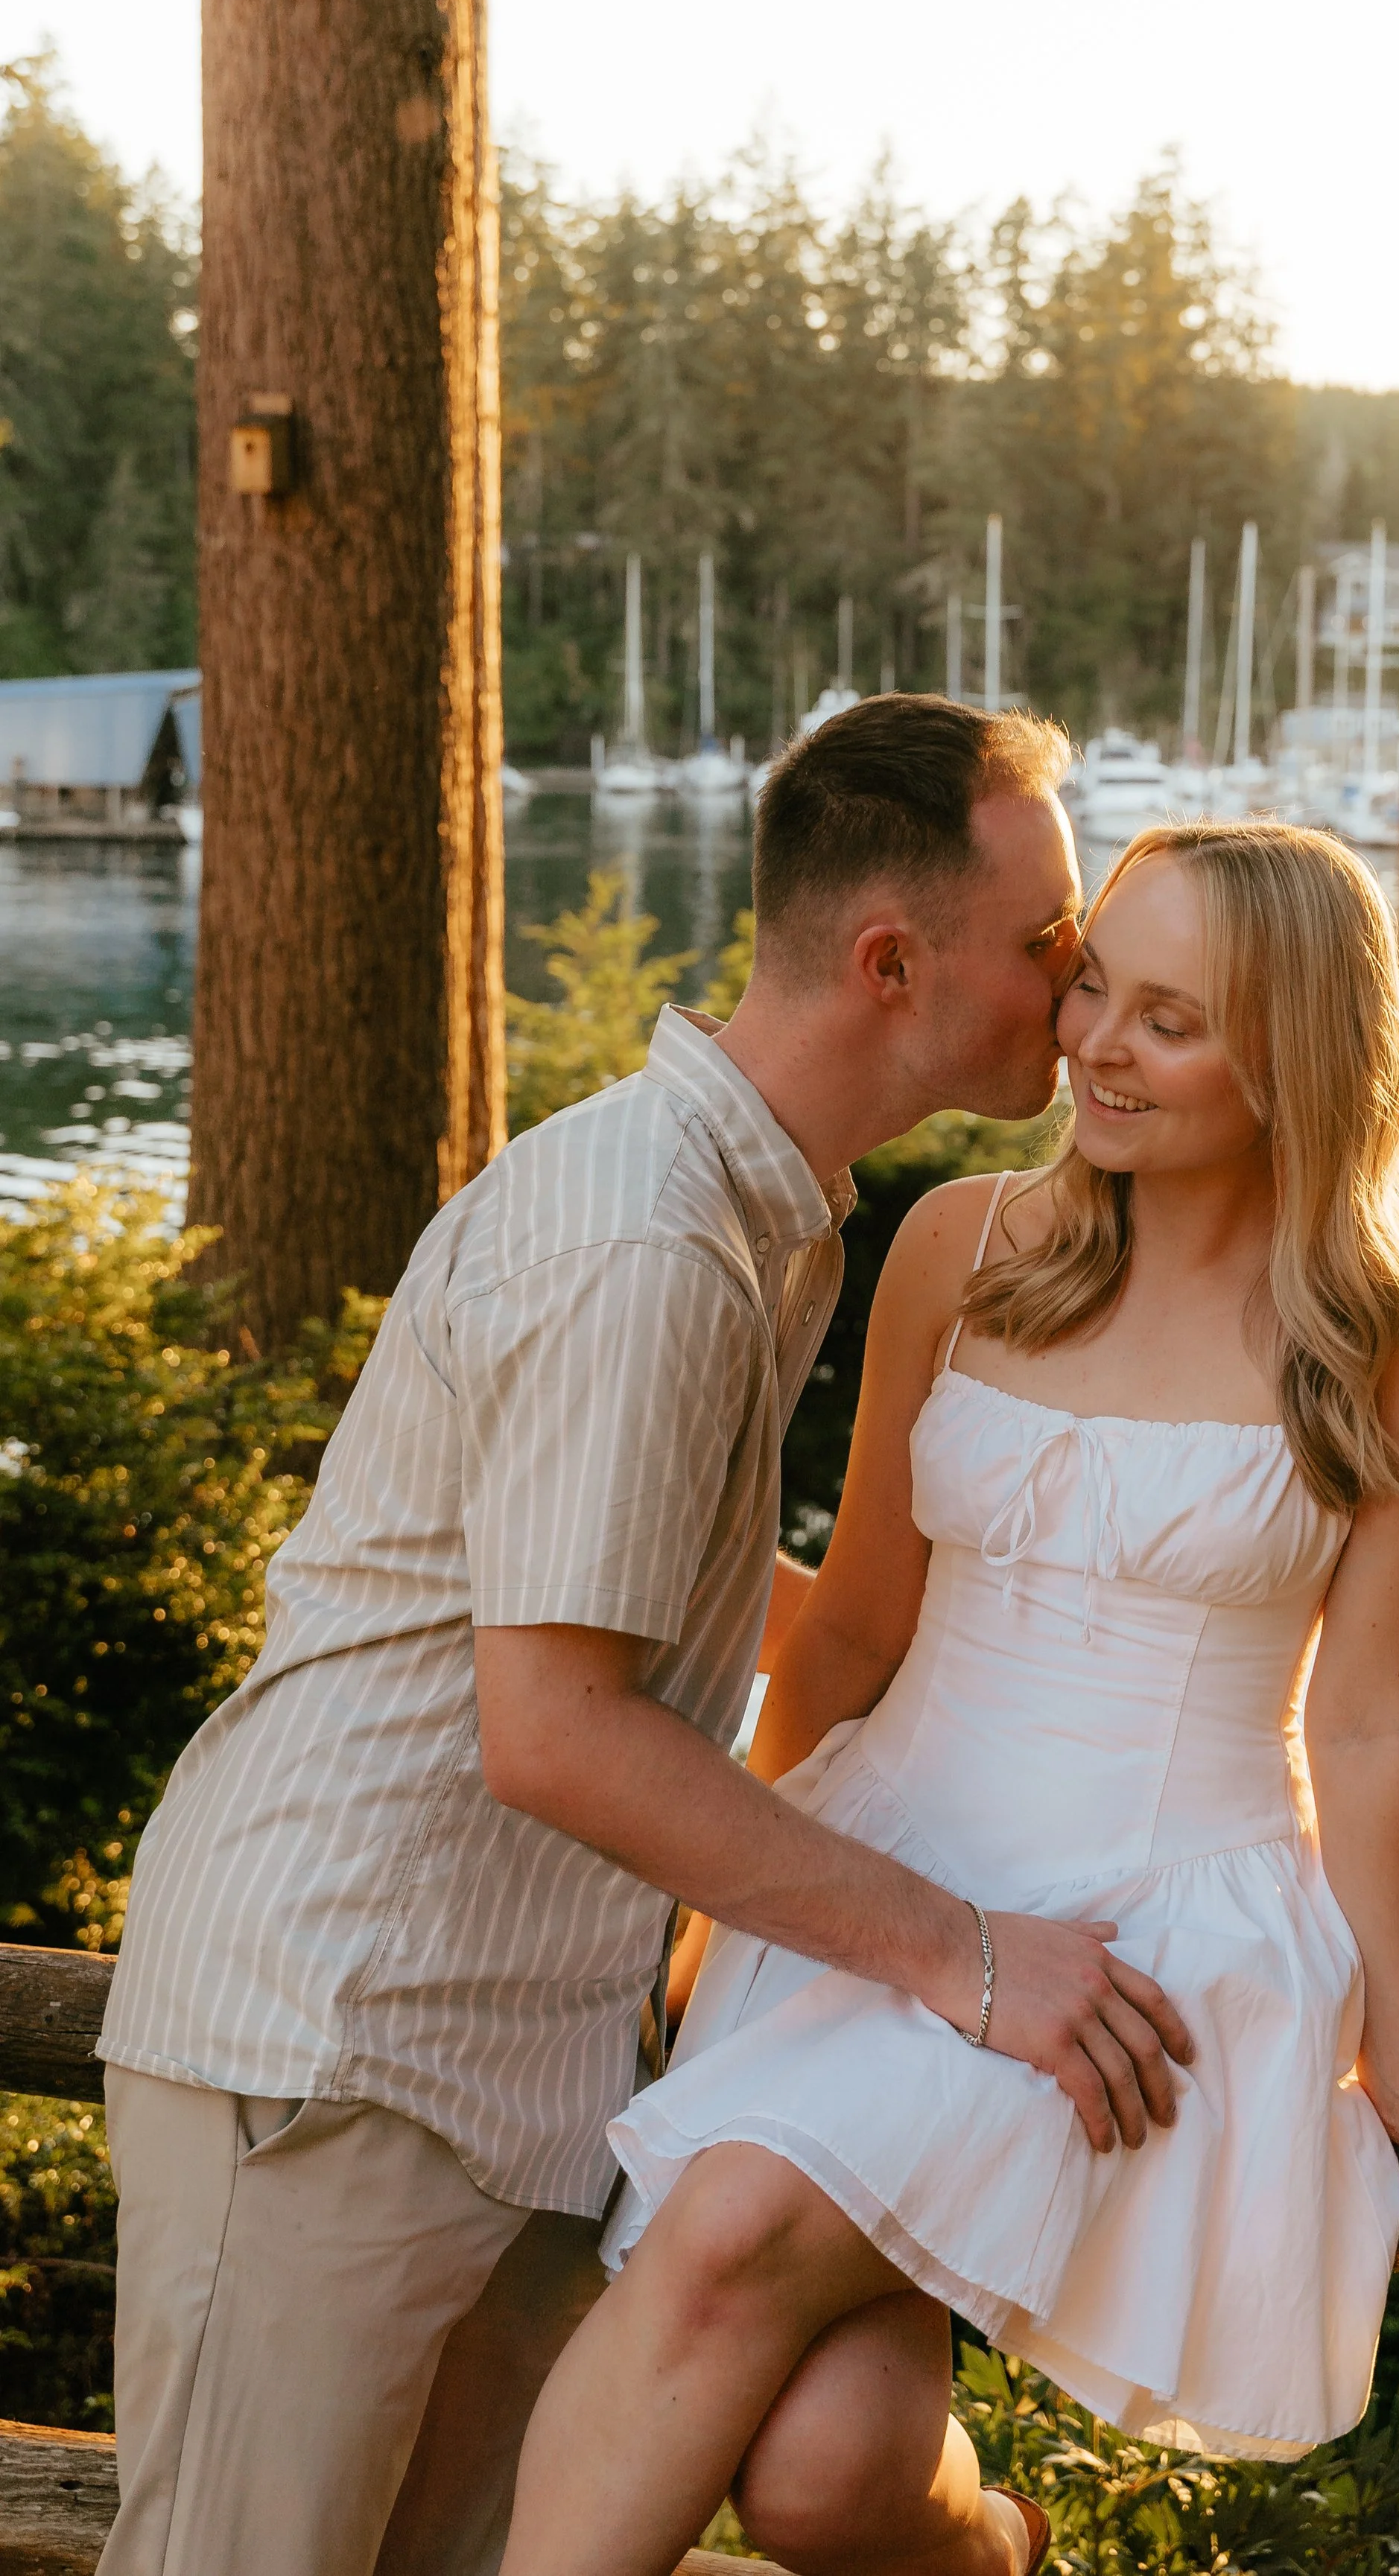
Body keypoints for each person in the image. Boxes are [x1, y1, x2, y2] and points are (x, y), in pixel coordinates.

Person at [93, 696, 1196, 2576]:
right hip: (337, 2050)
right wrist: (961, 1956)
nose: (1077, 974)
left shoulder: (769, 1217)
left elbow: (619, 1595)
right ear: (886, 961)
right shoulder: (651, 1248)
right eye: (1044, 941)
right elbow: (559, 1729)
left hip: (520, 2072)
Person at [499, 817, 1399, 2576]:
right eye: (1091, 992)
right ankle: (991, 2551)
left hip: (1156, 1929)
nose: (1091, 1047)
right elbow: (850, 1639)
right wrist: (717, 1911)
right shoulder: (962, 1246)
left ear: (1294, 1061)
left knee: (734, 2232)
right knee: (832, 2481)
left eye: (1168, 1019)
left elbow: (1368, 1709)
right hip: (877, 1878)